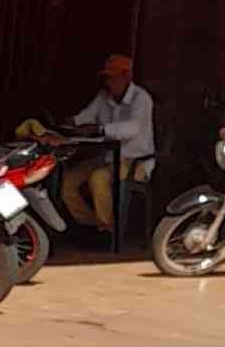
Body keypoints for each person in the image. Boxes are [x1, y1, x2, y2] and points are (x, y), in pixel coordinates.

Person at [56, 50, 153, 240]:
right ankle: (94, 226)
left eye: (113, 78)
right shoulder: (103, 97)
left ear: (127, 76)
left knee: (98, 178)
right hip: (107, 158)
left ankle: (109, 233)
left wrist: (99, 129)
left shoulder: (141, 98)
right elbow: (85, 116)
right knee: (68, 182)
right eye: (107, 78)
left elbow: (132, 128)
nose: (109, 82)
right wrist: (69, 124)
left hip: (136, 162)